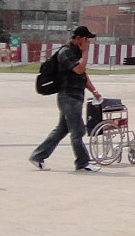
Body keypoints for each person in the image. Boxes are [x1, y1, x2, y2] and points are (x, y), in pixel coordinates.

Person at [30, 25, 103, 172]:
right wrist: (85, 52)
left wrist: (94, 91)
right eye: (86, 39)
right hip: (68, 97)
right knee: (78, 131)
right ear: (78, 38)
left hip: (75, 96)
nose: (88, 42)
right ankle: (82, 163)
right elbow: (79, 69)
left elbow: (83, 75)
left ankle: (38, 156)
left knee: (61, 130)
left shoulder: (76, 53)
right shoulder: (66, 52)